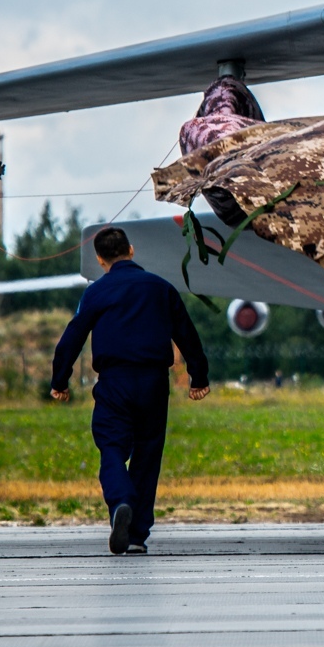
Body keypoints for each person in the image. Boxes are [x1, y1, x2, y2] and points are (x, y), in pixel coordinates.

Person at [50, 227, 210, 555]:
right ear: (131, 251)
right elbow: (187, 334)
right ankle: (136, 535)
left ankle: (121, 502)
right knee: (147, 454)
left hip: (114, 382)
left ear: (99, 259)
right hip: (153, 382)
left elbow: (73, 336)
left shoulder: (96, 293)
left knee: (111, 447)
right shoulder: (161, 289)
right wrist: (198, 377)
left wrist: (59, 380)